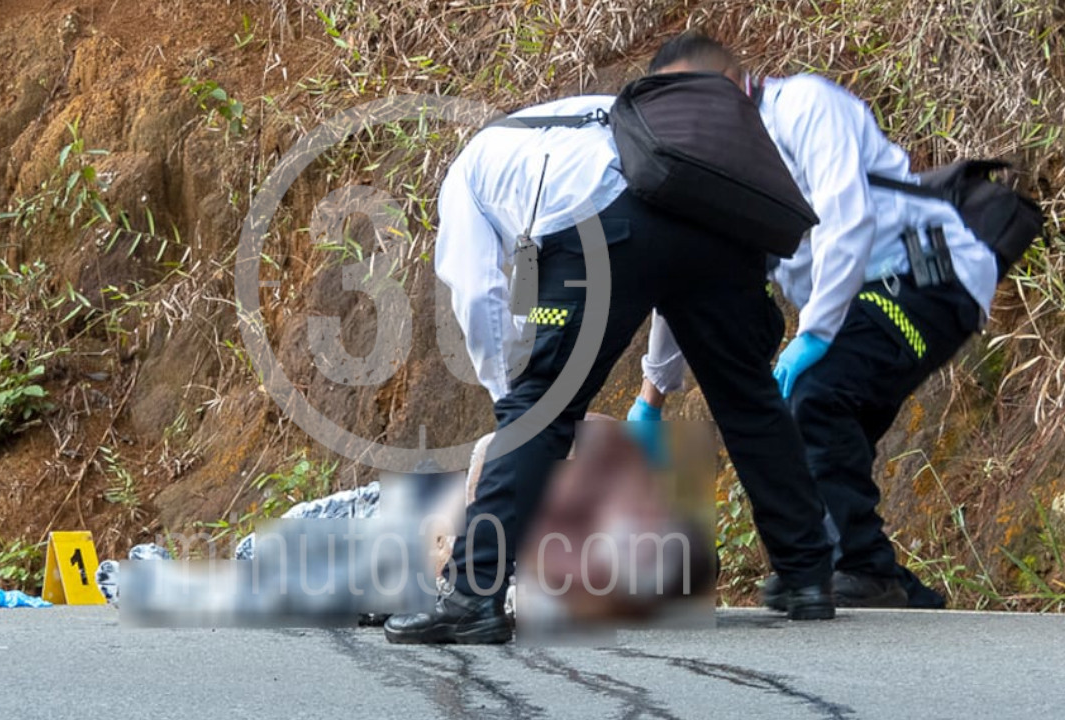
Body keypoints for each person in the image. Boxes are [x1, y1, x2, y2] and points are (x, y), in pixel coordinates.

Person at [384, 36, 838, 645]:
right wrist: (659, 378)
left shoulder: (471, 171)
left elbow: (477, 293)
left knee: (540, 406)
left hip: (606, 228)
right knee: (748, 397)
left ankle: (473, 595)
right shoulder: (608, 116)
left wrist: (512, 402)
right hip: (712, 219)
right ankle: (807, 575)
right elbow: (675, 276)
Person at [628, 32, 997, 609]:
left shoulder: (804, 106)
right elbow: (692, 278)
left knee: (815, 396)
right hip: (861, 304)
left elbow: (846, 222)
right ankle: (886, 585)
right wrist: (651, 398)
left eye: (689, 98)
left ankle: (862, 569)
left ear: (727, 84)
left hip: (926, 277)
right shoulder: (716, 165)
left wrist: (812, 338)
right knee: (800, 428)